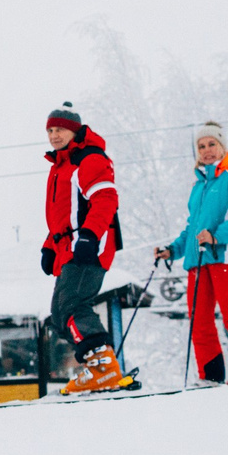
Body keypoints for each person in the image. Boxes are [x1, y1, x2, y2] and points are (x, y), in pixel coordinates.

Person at [155, 121, 228, 384]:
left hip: (226, 256)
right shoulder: (199, 186)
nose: (207, 150)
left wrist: (217, 235)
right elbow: (193, 227)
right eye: (201, 146)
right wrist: (172, 250)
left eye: (211, 144)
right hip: (198, 260)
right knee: (199, 321)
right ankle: (210, 376)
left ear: (222, 147)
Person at [42, 102, 132, 394]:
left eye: (60, 130)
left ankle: (105, 368)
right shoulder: (61, 165)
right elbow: (62, 215)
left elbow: (105, 199)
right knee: (59, 315)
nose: (54, 136)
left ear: (74, 130)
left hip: (89, 245)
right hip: (68, 247)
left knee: (74, 304)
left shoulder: (89, 158)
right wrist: (48, 247)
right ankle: (97, 366)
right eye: (51, 130)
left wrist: (90, 236)